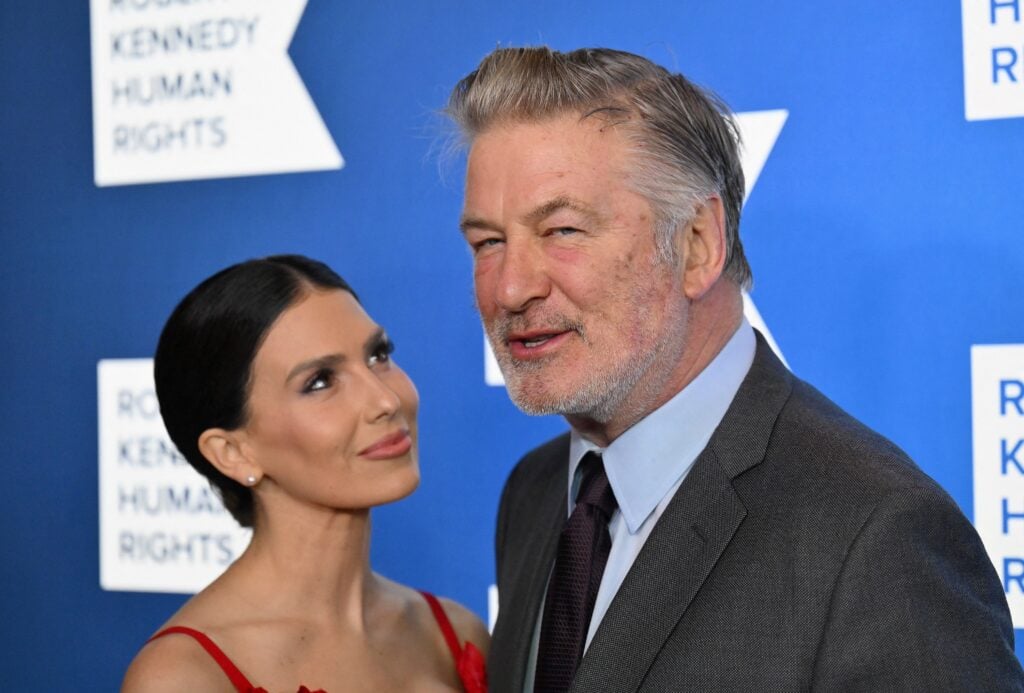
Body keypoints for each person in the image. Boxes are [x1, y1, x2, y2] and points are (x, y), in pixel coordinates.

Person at [446, 47, 1024, 691]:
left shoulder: (879, 537)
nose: (510, 288)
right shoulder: (534, 491)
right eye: (487, 243)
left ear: (697, 245)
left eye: (562, 231)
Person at [122, 255, 488, 692]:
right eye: (320, 381)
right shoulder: (183, 677)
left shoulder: (456, 633)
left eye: (378, 355)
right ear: (233, 453)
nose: (384, 400)